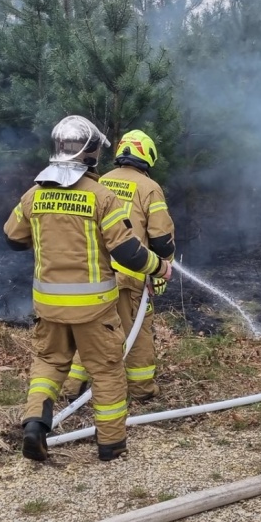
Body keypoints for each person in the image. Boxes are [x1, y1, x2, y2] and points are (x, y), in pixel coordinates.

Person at [3, 116, 173, 462]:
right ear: (91, 154)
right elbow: (127, 251)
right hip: (94, 308)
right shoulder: (99, 196)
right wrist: (159, 266)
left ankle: (35, 424)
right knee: (107, 370)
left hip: (48, 306)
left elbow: (13, 237)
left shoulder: (34, 194)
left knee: (48, 364)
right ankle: (111, 445)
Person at [63, 130, 175, 403]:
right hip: (131, 273)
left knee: (92, 330)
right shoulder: (149, 188)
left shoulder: (101, 182)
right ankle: (141, 389)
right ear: (147, 155)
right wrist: (163, 265)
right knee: (136, 330)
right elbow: (161, 237)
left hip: (96, 272)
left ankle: (71, 384)